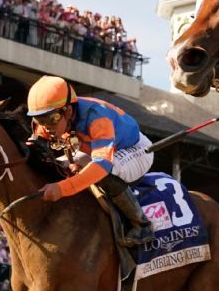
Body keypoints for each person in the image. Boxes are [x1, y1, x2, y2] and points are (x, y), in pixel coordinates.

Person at [26, 75, 156, 246]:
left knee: (106, 173)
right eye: (39, 120)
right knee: (60, 164)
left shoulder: (97, 117)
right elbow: (33, 146)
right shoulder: (50, 120)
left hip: (135, 149)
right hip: (95, 149)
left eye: (52, 119)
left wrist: (62, 189)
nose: (46, 127)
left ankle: (142, 225)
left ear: (69, 111)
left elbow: (101, 165)